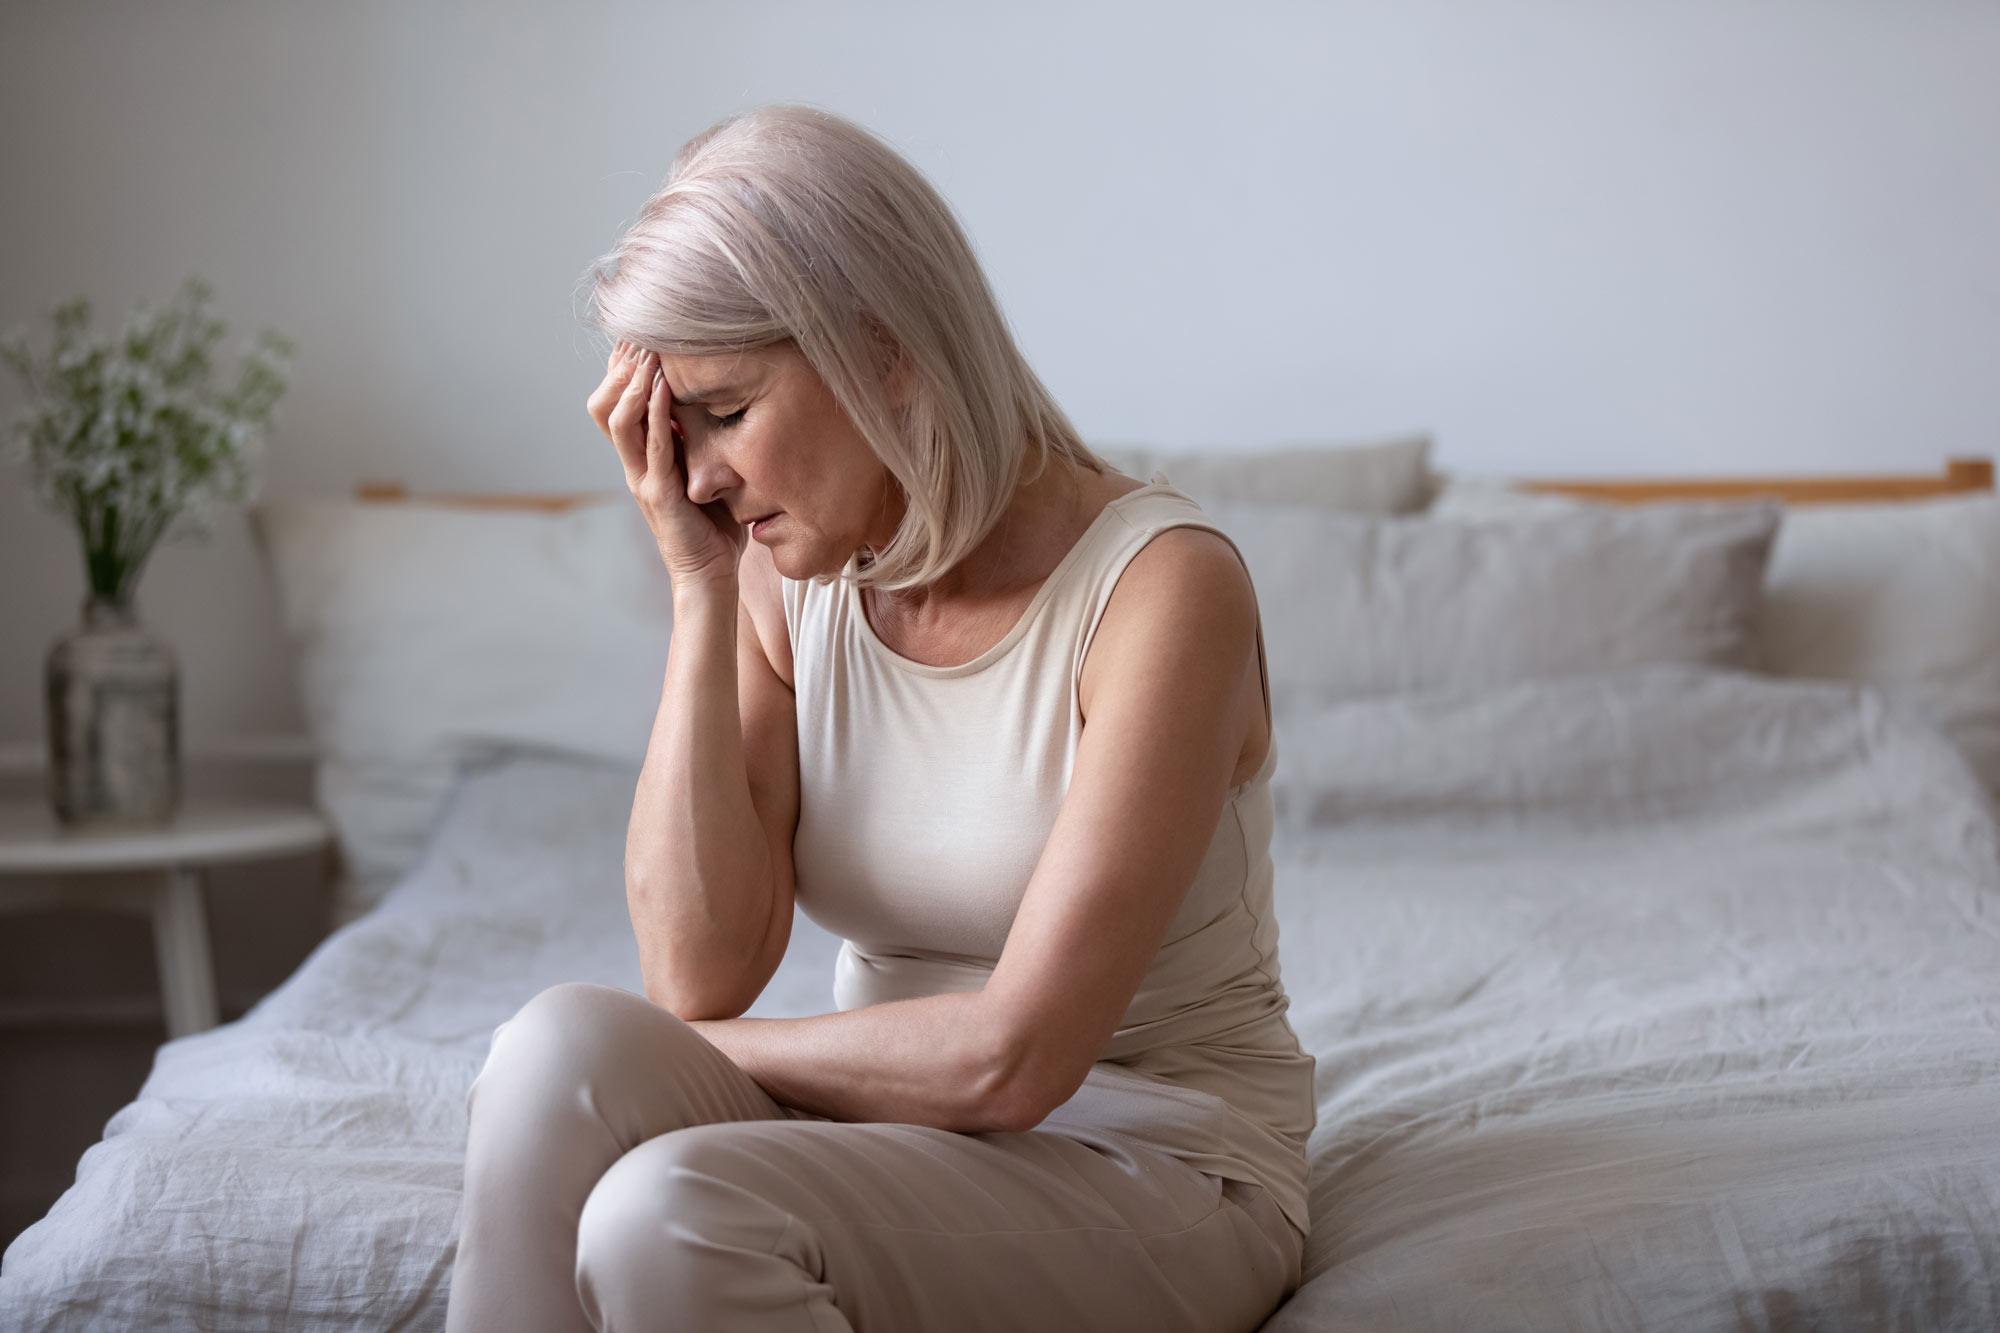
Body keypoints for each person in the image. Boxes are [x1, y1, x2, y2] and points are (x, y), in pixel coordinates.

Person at [443, 103, 1315, 1333]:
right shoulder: (779, 577)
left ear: (884, 348)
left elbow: (1014, 1057)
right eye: (672, 429)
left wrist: (732, 1058)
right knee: (553, 1052)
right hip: (902, 1137)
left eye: (727, 413)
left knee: (669, 1207)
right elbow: (697, 969)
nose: (697, 478)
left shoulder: (1162, 588)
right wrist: (698, 589)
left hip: (1159, 1161)